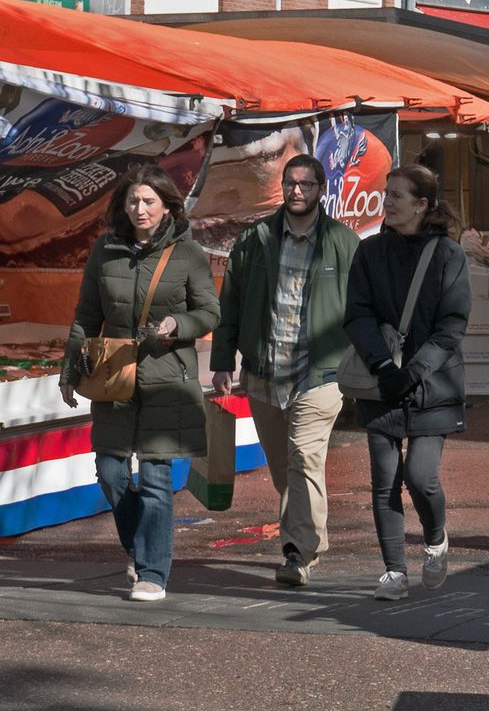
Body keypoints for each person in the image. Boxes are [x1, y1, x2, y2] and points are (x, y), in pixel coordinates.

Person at [61, 164, 221, 602]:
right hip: (115, 378)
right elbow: (85, 315)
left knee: (155, 478)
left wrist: (177, 322)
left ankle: (153, 572)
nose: (140, 208)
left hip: (168, 379)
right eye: (133, 200)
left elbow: (210, 312)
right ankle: (139, 545)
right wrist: (70, 369)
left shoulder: (188, 254)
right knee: (111, 473)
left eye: (149, 200)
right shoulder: (104, 250)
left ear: (167, 205)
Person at [210, 153, 359, 587]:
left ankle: (299, 552)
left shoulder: (342, 243)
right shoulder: (255, 239)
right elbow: (231, 303)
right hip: (263, 374)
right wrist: (223, 360)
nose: (297, 191)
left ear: (320, 189)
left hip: (321, 374)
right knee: (284, 467)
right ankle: (308, 536)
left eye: (306, 185)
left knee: (303, 457)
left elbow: (361, 308)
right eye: (291, 184)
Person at [344, 163, 472, 602]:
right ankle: (394, 571)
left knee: (421, 476)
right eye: (386, 193)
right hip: (380, 383)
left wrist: (412, 372)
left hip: (433, 386)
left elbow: (452, 325)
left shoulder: (448, 255)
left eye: (397, 195)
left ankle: (435, 539)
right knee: (384, 480)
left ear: (422, 204)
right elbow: (357, 314)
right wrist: (382, 367)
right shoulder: (370, 251)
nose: (387, 202)